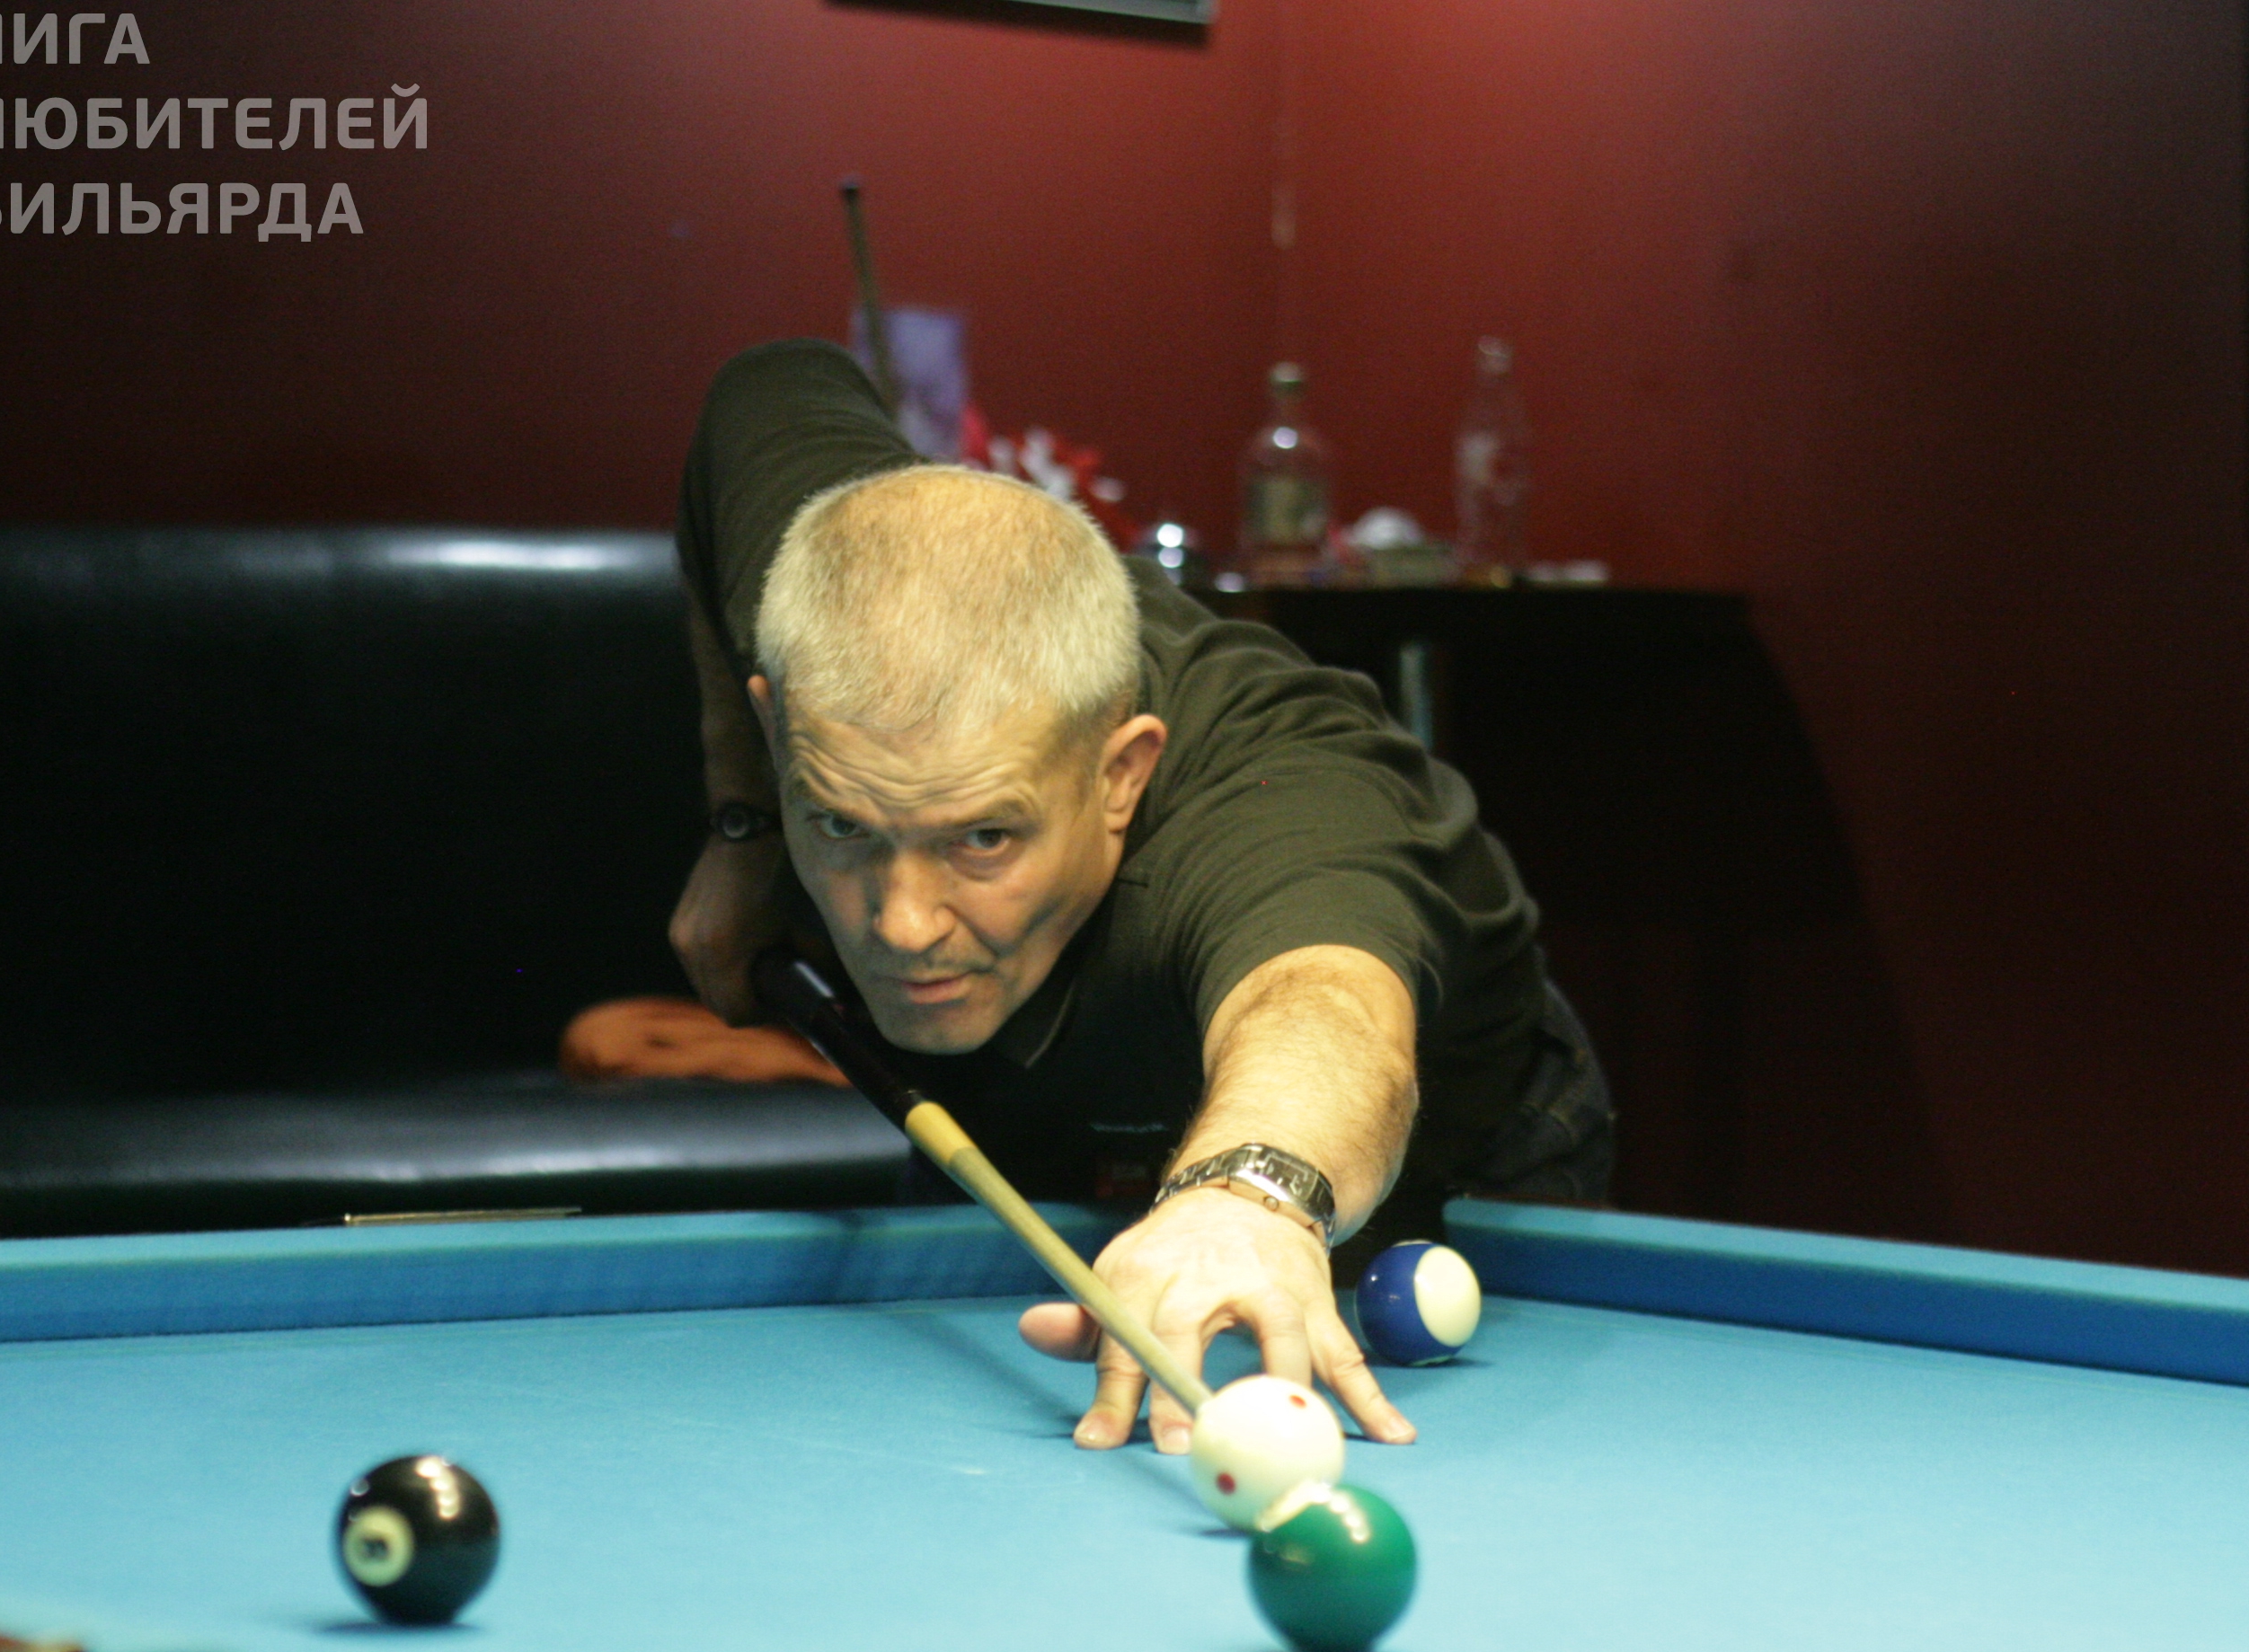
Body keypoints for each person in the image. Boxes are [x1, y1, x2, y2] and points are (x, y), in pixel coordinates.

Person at [672, 340, 1611, 1454]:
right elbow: (764, 389)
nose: (904, 924)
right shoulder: (825, 575)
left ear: (1121, 774)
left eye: (984, 837)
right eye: (845, 826)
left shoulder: (1283, 800)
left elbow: (1326, 1011)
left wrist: (1250, 1197)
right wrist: (746, 822)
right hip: (1037, 1109)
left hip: (1422, 1174)